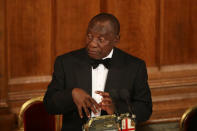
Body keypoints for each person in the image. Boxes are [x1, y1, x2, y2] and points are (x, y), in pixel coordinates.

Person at [43, 13, 152, 131]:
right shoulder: (66, 63)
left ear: (116, 40)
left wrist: (117, 109)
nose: (92, 44)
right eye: (89, 36)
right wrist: (71, 94)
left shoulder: (134, 66)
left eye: (101, 39)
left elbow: (145, 109)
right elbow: (49, 105)